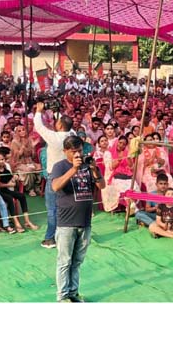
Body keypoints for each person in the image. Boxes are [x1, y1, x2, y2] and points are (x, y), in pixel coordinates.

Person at [50, 135, 106, 303]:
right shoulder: (59, 166)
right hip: (66, 222)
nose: (77, 155)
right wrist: (74, 169)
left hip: (85, 221)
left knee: (77, 261)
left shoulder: (88, 164)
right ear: (65, 151)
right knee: (64, 261)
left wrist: (95, 169)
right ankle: (62, 296)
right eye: (73, 152)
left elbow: (102, 185)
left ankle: (73, 293)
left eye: (80, 151)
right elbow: (55, 186)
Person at [34, 102, 74, 248]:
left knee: (52, 208)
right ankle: (66, 235)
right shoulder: (72, 135)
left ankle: (50, 238)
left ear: (59, 126)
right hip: (70, 175)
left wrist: (39, 111)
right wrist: (58, 114)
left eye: (57, 122)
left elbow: (39, 127)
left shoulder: (54, 138)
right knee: (67, 206)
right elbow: (67, 125)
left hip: (55, 177)